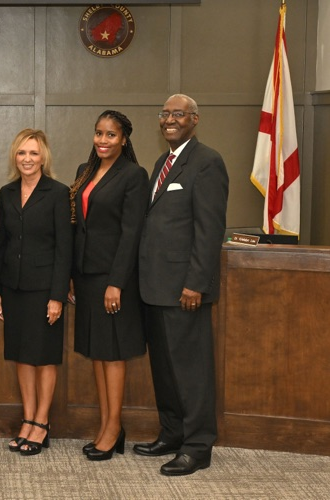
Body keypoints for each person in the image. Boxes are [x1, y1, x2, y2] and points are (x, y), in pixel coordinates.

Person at [134, 94, 229, 476]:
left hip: (184, 291)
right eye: (165, 114)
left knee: (191, 371)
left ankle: (198, 445)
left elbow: (209, 231)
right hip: (155, 288)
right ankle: (172, 433)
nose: (170, 119)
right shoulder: (162, 162)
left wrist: (196, 284)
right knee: (166, 369)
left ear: (195, 119)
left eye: (178, 114)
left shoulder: (207, 162)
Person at [68, 111, 148, 461]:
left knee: (113, 353)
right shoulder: (83, 173)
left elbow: (132, 233)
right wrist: (72, 274)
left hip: (114, 279)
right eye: (99, 133)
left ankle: (114, 428)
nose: (102, 140)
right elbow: (77, 229)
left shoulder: (133, 176)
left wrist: (116, 283)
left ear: (124, 139)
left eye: (111, 135)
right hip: (86, 277)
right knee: (97, 353)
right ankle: (106, 425)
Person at [0, 129, 72, 456]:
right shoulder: (7, 192)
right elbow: (3, 243)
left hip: (44, 289)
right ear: (15, 156)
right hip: (12, 288)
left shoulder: (58, 193)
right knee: (21, 356)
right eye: (22, 153)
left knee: (44, 357)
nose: (27, 159)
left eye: (33, 153)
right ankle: (27, 418)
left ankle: (42, 423)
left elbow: (64, 249)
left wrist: (57, 296)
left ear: (44, 158)